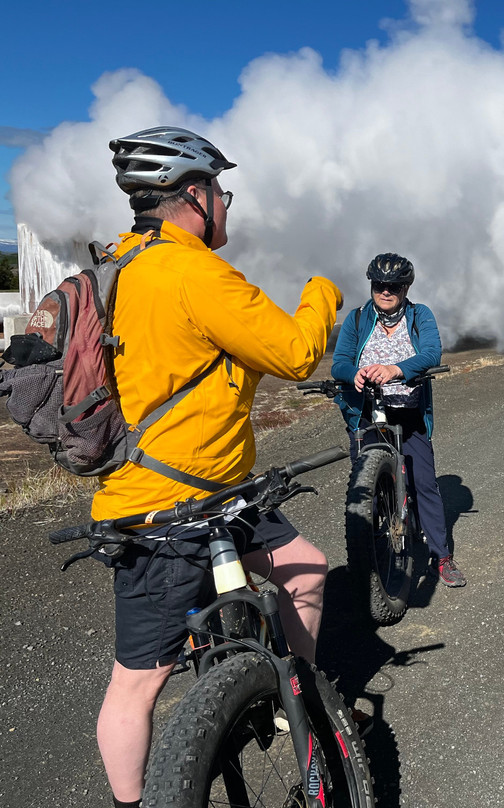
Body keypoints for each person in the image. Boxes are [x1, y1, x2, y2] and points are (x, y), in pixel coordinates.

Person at [97, 126, 342, 808]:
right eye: (220, 192)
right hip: (170, 505)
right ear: (195, 195)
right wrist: (323, 290)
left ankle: (295, 697)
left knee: (305, 565)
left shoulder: (120, 263)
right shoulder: (195, 272)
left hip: (208, 492)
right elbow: (296, 354)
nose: (225, 206)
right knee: (137, 683)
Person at [331, 253, 465, 587]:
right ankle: (369, 559)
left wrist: (396, 369)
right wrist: (353, 373)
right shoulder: (357, 319)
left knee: (425, 484)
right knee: (366, 491)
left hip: (409, 413)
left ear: (406, 288)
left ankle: (441, 557)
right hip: (367, 413)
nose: (385, 291)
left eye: (393, 285)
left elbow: (431, 353)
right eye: (379, 284)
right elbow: (340, 362)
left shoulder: (420, 316)